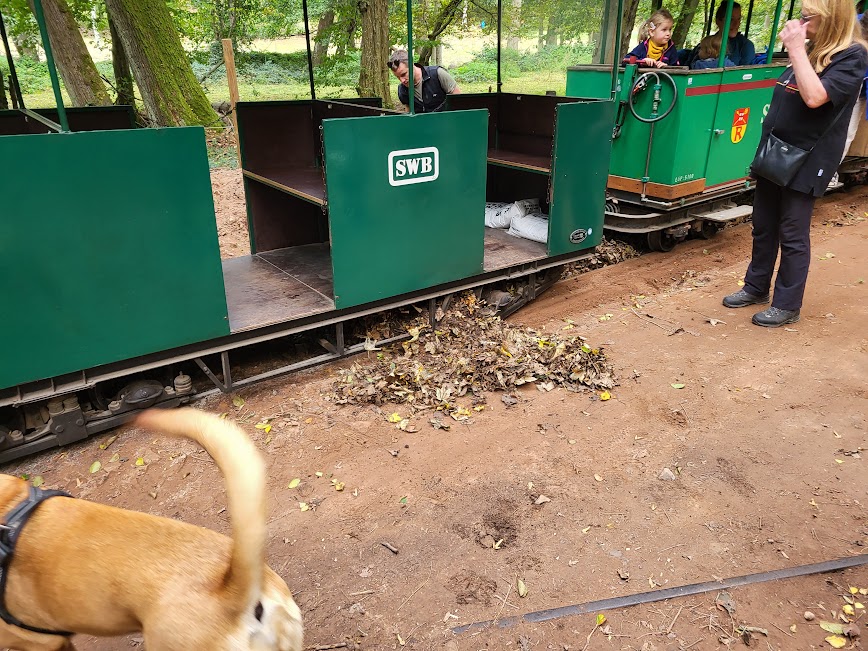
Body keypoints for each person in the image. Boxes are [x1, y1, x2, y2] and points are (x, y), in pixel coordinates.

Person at [722, 0, 868, 327]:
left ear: (832, 19)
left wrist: (796, 51)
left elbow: (816, 97)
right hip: (777, 152)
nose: (799, 21)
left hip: (808, 159)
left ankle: (787, 304)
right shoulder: (815, 48)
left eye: (807, 16)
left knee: (792, 232)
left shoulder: (852, 56)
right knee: (763, 224)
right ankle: (756, 286)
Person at [387, 49, 460, 113]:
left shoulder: (438, 74)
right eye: (397, 77)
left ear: (412, 65)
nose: (402, 80)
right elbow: (409, 113)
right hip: (422, 127)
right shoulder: (403, 90)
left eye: (403, 74)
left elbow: (458, 99)